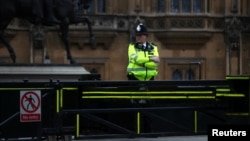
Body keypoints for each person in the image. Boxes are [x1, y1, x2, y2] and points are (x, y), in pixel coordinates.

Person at [126, 23, 160, 134]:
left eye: (140, 35)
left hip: (149, 80)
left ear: (146, 36)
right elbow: (136, 59)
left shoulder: (153, 47)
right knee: (133, 106)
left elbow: (156, 63)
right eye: (137, 35)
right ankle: (133, 132)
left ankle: (148, 132)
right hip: (134, 80)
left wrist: (144, 60)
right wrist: (150, 59)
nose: (138, 37)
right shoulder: (132, 46)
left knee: (148, 106)